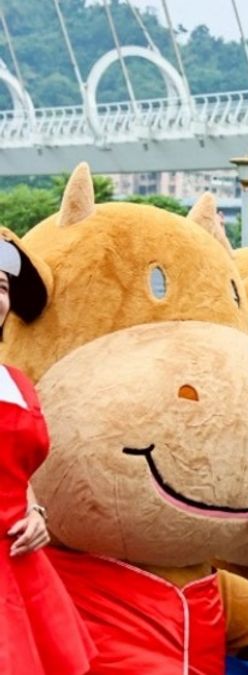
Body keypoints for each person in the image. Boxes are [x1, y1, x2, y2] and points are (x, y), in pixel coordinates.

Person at [0, 238, 96, 675]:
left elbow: (16, 467)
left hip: (22, 562)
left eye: (2, 286)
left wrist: (35, 510)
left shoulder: (18, 380)